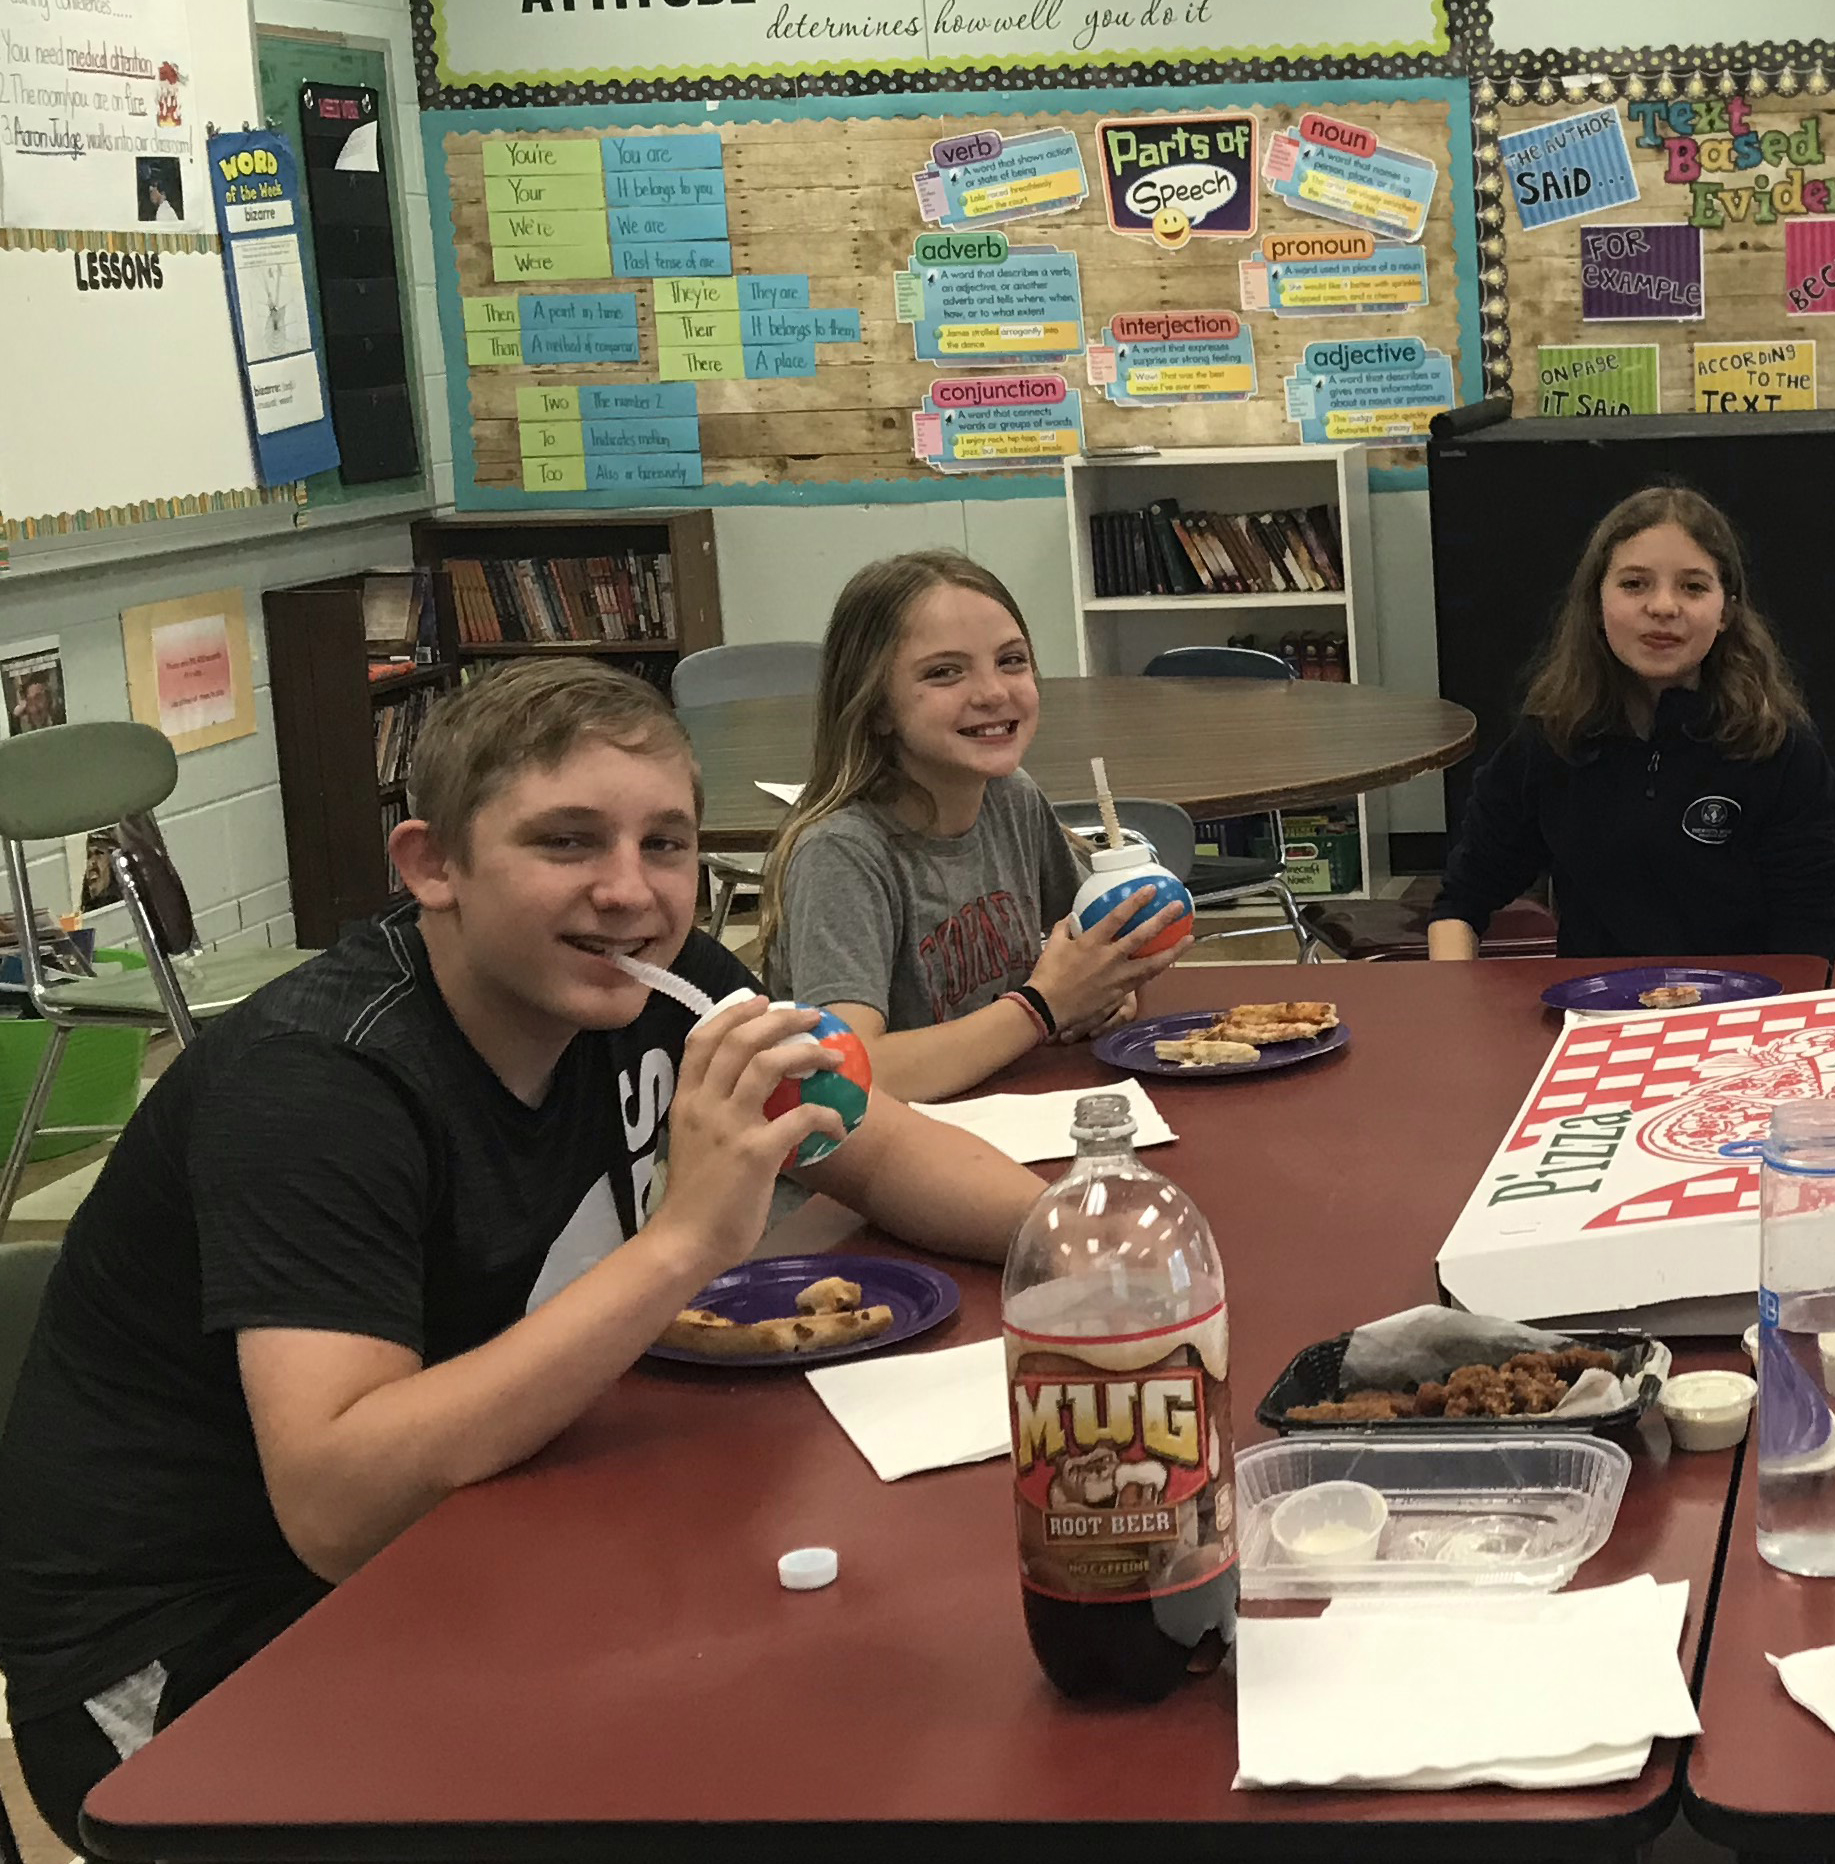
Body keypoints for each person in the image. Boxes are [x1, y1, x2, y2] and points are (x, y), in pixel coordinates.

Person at [0, 660, 1044, 1847]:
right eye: (566, 843)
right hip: (205, 1644)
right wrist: (690, 1240)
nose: (631, 893)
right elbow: (338, 1508)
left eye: (667, 844)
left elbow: (873, 1145)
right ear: (432, 866)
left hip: (476, 1533)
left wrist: (1086, 1239)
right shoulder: (317, 1090)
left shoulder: (668, 986)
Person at [761, 552, 1184, 1102]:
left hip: (1006, 1119)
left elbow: (1092, 947)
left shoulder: (1012, 798)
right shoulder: (842, 853)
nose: (992, 692)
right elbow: (847, 1074)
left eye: (1012, 661)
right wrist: (1043, 1008)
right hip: (877, 1170)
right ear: (876, 706)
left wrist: (1107, 990)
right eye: (944, 672)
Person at [1428, 483, 1835, 964]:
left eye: (1693, 586)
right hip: (1592, 1015)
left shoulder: (1779, 749)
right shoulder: (1549, 741)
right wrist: (1451, 997)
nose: (1664, 607)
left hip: (1743, 1019)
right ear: (1595, 604)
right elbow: (1461, 902)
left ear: (1727, 611)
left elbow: (1809, 944)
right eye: (1634, 584)